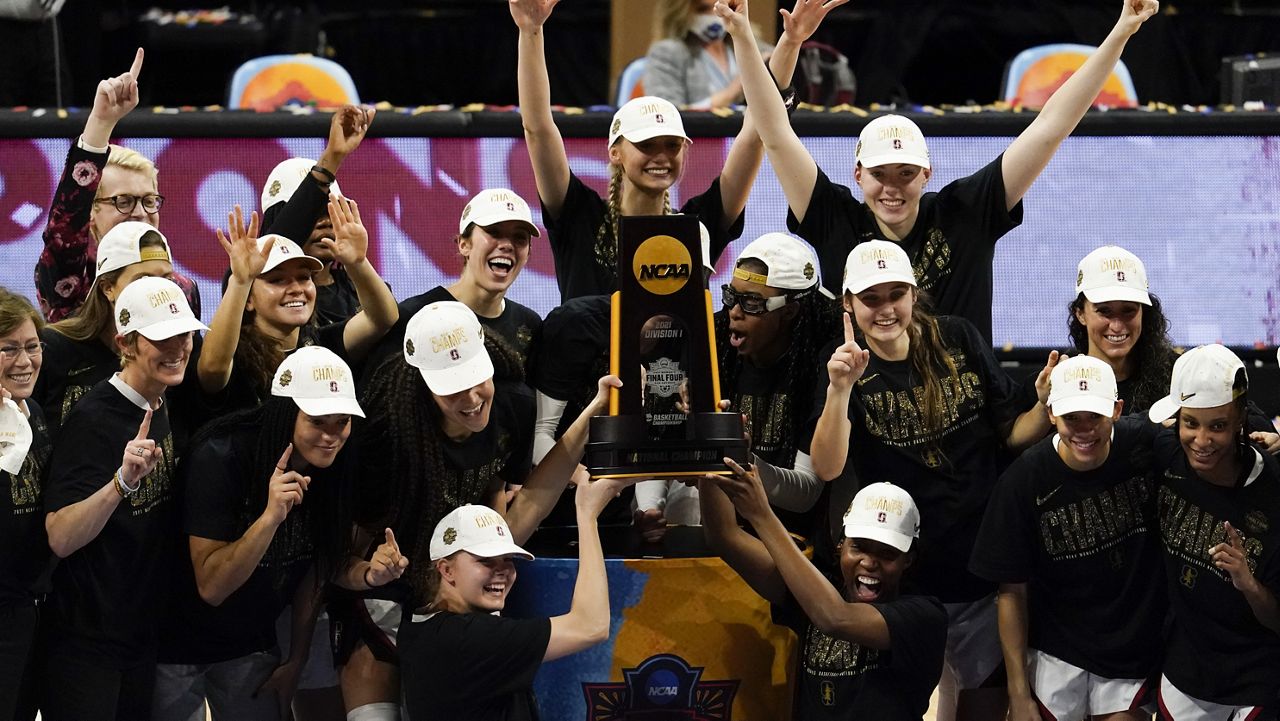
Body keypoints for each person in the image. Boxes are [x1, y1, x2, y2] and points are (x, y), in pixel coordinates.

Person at [715, 0, 1158, 342]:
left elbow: (1050, 127)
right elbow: (773, 131)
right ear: (857, 175)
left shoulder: (965, 212)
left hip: (962, 426)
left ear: (928, 174)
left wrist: (1121, 31)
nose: (892, 187)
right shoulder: (836, 219)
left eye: (905, 173)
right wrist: (745, 36)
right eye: (880, 173)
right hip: (863, 421)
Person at [338, 301, 621, 720]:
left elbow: (521, 510)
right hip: (383, 599)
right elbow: (333, 559)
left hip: (456, 597)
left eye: (477, 378)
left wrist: (593, 412)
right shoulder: (385, 438)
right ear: (423, 385)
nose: (472, 398)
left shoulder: (512, 407)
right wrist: (368, 574)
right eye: (453, 387)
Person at [808, 240, 1056, 719]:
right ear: (847, 303)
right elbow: (827, 467)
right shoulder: (842, 362)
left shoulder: (957, 338)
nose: (885, 309)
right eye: (871, 298)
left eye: (895, 294)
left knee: (979, 705)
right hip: (904, 583)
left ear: (914, 293)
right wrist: (839, 391)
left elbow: (1012, 433)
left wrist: (1044, 406)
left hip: (976, 571)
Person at [512, 0, 846, 301]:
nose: (661, 156)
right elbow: (538, 129)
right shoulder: (580, 217)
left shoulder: (696, 227)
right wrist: (531, 32)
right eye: (645, 145)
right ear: (616, 152)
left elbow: (756, 132)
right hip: (588, 370)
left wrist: (790, 42)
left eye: (672, 145)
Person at [153, 347, 400, 721]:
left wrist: (298, 657)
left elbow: (316, 570)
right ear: (286, 414)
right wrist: (270, 518)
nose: (332, 436)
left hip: (250, 642)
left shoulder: (333, 467)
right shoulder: (221, 455)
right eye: (318, 421)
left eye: (342, 421)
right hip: (175, 644)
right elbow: (213, 587)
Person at [41, 276, 207, 721]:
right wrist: (121, 483)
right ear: (126, 343)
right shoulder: (94, 418)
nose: (178, 348)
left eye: (185, 334)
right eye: (162, 338)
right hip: (87, 646)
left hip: (140, 635)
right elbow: (59, 536)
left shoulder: (161, 400)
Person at [970, 355, 1164, 721]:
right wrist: (1018, 693)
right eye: (1072, 417)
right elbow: (1011, 592)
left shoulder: (1147, 446)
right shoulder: (1023, 480)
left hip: (1130, 651)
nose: (1084, 429)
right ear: (1052, 412)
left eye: (1095, 416)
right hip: (1055, 653)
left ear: (1117, 410)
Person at [703, 473, 947, 719]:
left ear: (908, 560)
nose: (869, 562)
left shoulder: (924, 617)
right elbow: (725, 536)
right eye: (859, 547)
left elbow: (834, 618)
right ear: (841, 545)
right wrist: (713, 465)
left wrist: (762, 515)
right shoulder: (816, 592)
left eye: (887, 553)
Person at [399, 478, 631, 720]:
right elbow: (591, 626)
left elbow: (536, 504)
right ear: (446, 570)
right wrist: (587, 515)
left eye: (508, 559)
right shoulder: (469, 638)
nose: (502, 571)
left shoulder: (420, 623)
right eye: (485, 560)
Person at [1146, 344, 1280, 719]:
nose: (1201, 441)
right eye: (1191, 423)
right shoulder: (1164, 452)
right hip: (1184, 677)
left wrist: (1248, 583)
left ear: (1241, 419)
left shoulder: (1273, 491)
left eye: (1217, 426)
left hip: (1257, 682)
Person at [34, 48, 200, 323]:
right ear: (90, 211)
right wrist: (101, 122)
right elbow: (64, 227)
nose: (139, 212)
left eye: (149, 200)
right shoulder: (70, 279)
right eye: (123, 201)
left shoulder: (183, 290)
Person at [197, 198, 398, 414]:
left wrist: (358, 263)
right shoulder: (235, 358)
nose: (296, 288)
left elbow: (382, 318)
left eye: (303, 277)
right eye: (277, 280)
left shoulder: (323, 344)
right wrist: (240, 282)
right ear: (249, 300)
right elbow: (212, 367)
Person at [34, 220, 191, 440]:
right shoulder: (53, 348)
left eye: (166, 279)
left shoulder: (177, 347)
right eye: (142, 279)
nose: (156, 291)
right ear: (108, 288)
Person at [368, 188, 543, 383]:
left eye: (519, 237)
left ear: (528, 254)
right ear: (463, 244)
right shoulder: (415, 316)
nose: (507, 245)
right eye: (494, 232)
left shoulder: (530, 324)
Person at [259, 104, 377, 327]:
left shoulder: (366, 292)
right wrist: (333, 157)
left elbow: (389, 322)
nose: (325, 222)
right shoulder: (250, 289)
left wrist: (358, 263)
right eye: (313, 213)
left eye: (332, 211)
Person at [0, 288, 54, 721]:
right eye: (9, 349)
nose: (25, 361)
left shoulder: (32, 411)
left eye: (32, 346)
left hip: (34, 613)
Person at [1065, 245, 1175, 415]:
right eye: (1104, 311)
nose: (1117, 326)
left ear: (1143, 313)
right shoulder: (1059, 380)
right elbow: (1015, 439)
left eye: (1128, 310)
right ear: (1080, 314)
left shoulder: (1177, 377)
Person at [643, 0, 772, 109]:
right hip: (700, 137)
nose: (715, 15)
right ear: (680, 12)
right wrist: (736, 88)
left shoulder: (745, 44)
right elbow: (667, 115)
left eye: (720, 7)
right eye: (703, 9)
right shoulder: (666, 53)